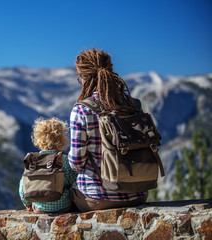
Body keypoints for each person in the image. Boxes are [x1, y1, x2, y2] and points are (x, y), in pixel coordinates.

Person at [68, 49, 148, 212]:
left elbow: (76, 163)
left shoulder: (82, 110)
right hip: (138, 195)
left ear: (84, 78)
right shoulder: (133, 105)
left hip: (98, 198)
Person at [19, 117, 77, 213]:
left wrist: (28, 204)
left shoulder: (33, 161)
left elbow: (22, 188)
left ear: (38, 140)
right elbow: (74, 181)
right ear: (62, 139)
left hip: (40, 208)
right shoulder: (65, 159)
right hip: (64, 206)